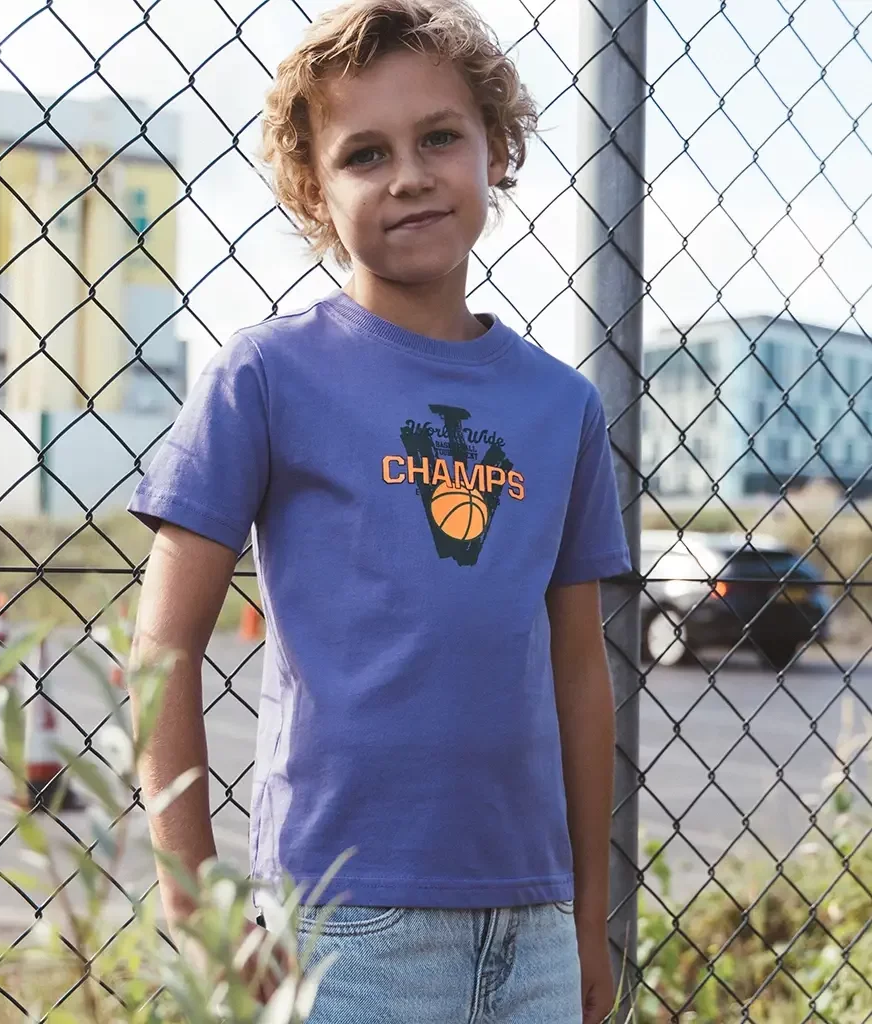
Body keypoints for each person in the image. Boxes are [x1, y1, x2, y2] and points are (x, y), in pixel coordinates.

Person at [126, 1, 632, 1021]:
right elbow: (161, 652)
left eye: (439, 137)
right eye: (365, 154)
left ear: (495, 150)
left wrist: (586, 919)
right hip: (339, 927)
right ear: (315, 190)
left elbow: (581, 670)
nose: (408, 175)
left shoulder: (561, 406)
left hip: (533, 925)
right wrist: (195, 908)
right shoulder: (265, 377)